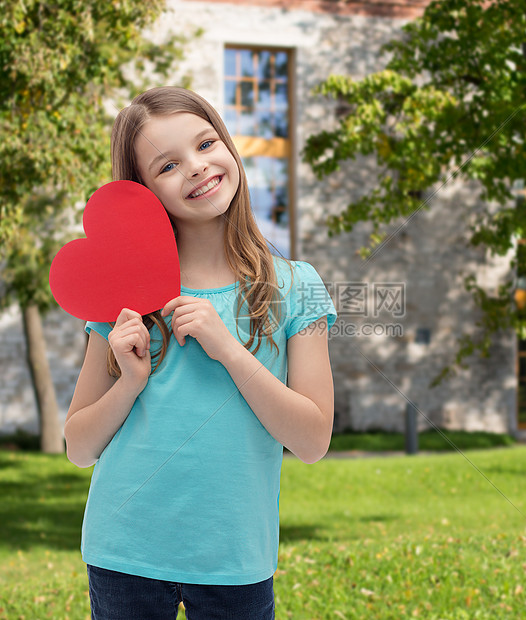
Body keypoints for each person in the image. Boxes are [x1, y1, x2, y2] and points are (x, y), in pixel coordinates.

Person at [64, 86, 337, 620]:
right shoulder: (124, 294)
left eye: (206, 142)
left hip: (235, 560)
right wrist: (129, 382)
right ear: (144, 192)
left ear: (229, 147)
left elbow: (312, 439)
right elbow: (78, 446)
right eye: (168, 165)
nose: (196, 167)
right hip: (125, 553)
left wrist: (230, 349)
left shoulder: (294, 286)